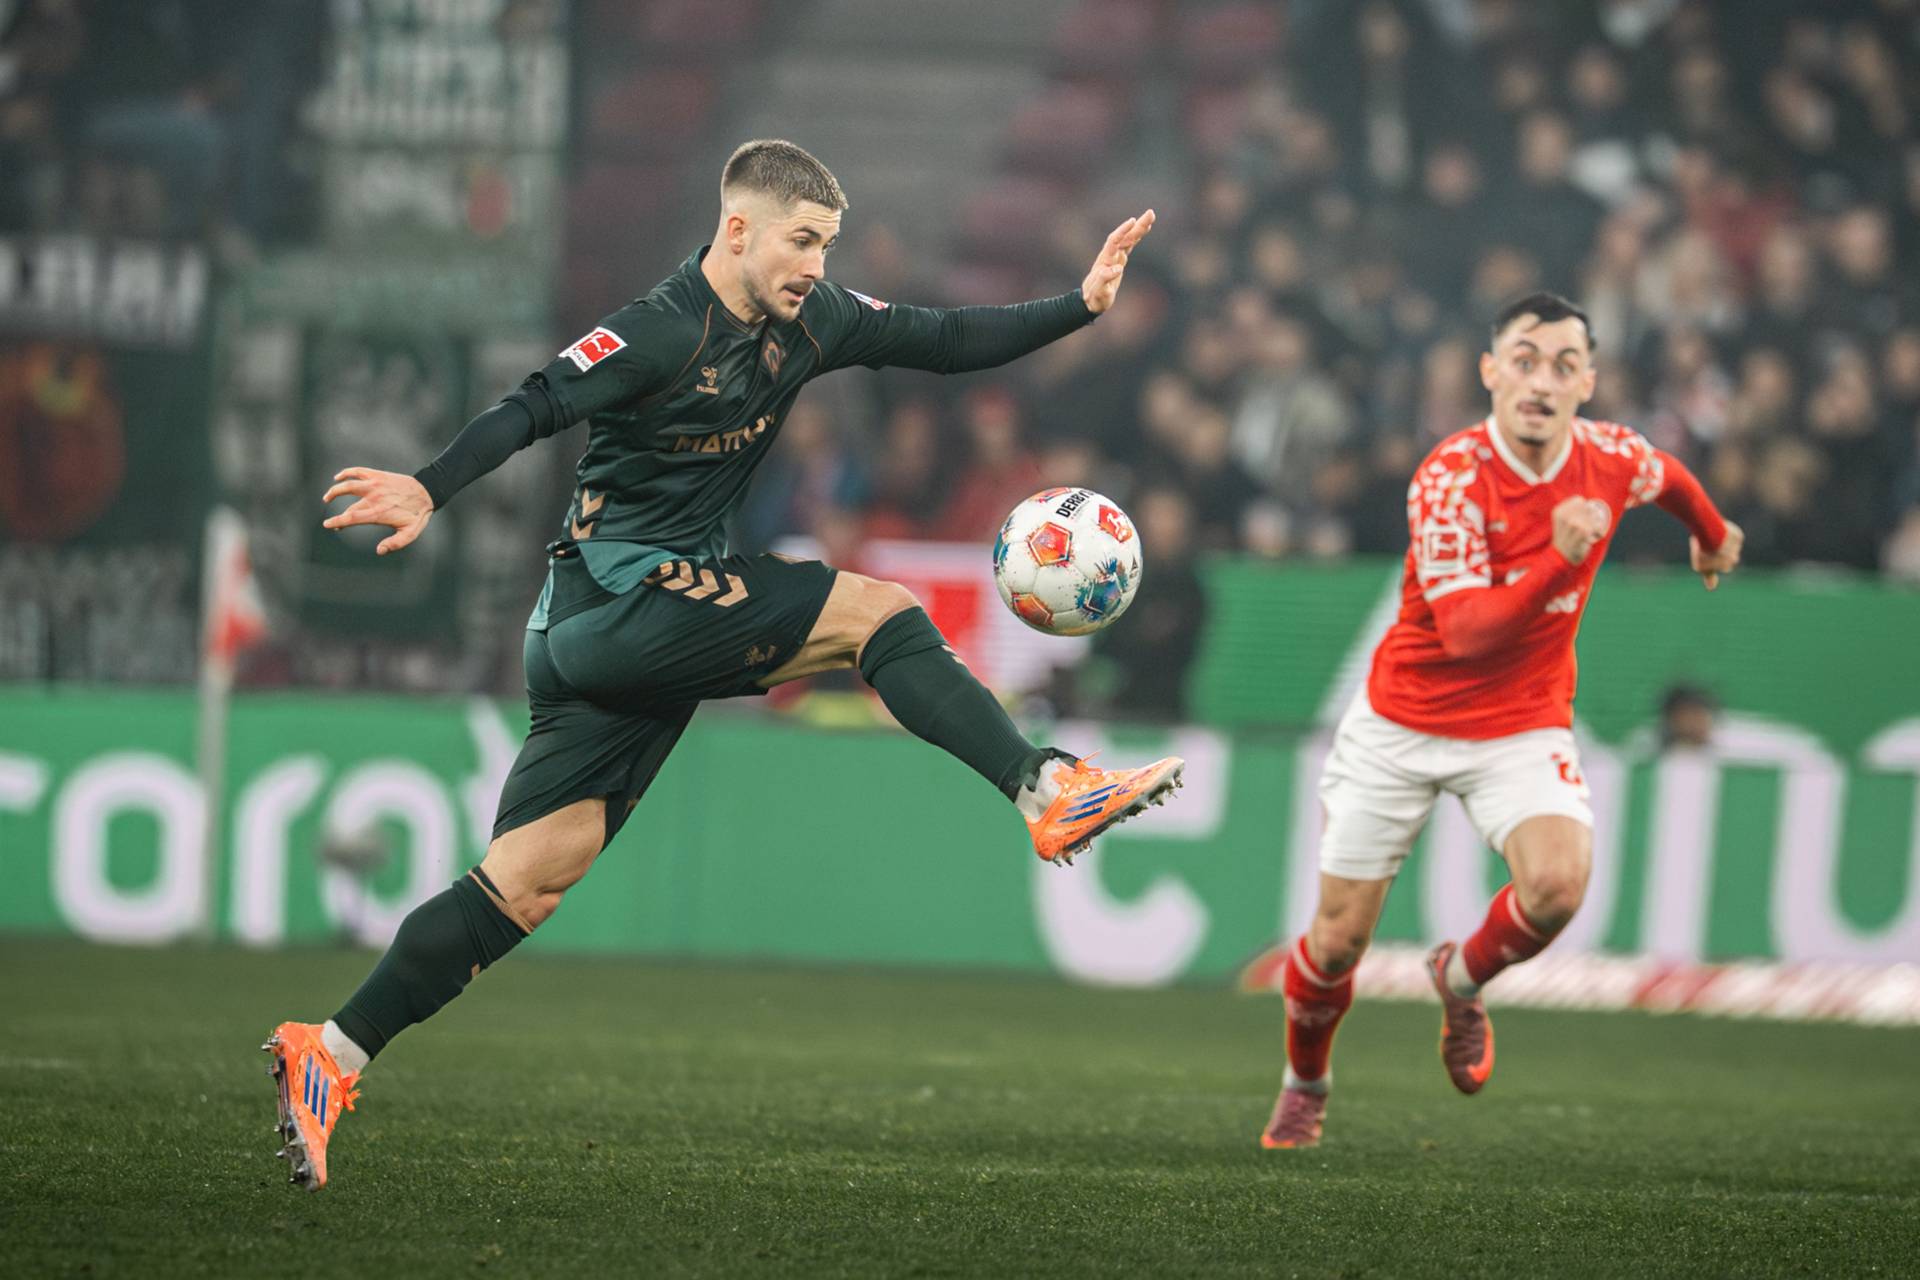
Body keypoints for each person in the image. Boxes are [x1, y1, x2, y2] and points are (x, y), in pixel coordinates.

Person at [263, 140, 1186, 1191]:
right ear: (738, 230)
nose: (816, 264)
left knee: (526, 884)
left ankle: (328, 1051)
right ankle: (1043, 783)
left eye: (826, 244)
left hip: (617, 639)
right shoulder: (658, 327)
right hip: (620, 605)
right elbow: (533, 404)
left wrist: (1080, 304)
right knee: (874, 609)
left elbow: (942, 338)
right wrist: (430, 487)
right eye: (802, 241)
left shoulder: (814, 318)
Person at [1260, 293, 1742, 1149]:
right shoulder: (1449, 478)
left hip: (1520, 723)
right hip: (1402, 724)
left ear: (1588, 382)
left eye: (1564, 364)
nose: (1542, 380)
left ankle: (1462, 975)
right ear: (1490, 372)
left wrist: (1709, 533)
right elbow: (1469, 633)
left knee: (1558, 888)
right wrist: (1560, 552)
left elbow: (1667, 476)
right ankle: (1306, 1083)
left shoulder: (1607, 457)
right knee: (1336, 944)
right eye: (1524, 358)